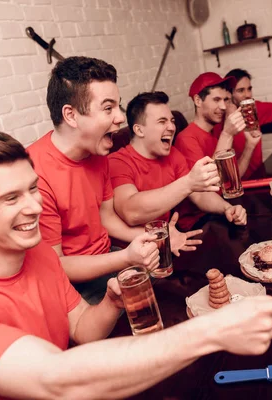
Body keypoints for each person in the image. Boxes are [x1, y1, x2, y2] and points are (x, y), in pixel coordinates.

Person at [0, 129, 272, 400]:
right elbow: (57, 380)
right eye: (11, 198)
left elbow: (81, 332)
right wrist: (214, 330)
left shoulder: (34, 254)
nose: (35, 207)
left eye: (33, 189)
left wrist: (110, 301)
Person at [27, 57, 200, 303]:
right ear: (71, 115)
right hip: (75, 284)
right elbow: (57, 267)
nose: (120, 118)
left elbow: (105, 217)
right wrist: (126, 258)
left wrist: (153, 239)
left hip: (110, 257)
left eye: (118, 107)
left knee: (185, 281)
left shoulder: (97, 150)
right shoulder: (34, 174)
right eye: (108, 108)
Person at [108, 91, 247, 230]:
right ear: (139, 130)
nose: (172, 127)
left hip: (168, 238)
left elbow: (198, 196)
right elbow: (132, 213)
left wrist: (227, 208)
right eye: (162, 121)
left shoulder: (173, 154)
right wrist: (188, 183)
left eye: (172, 121)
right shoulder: (117, 162)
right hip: (131, 247)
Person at [174, 72, 251, 229]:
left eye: (225, 100)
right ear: (197, 100)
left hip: (218, 210)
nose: (223, 107)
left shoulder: (214, 137)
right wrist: (227, 134)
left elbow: (232, 178)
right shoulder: (186, 138)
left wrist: (250, 144)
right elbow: (205, 185)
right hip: (197, 222)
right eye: (216, 100)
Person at [216, 68, 272, 179]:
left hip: (258, 175)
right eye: (241, 90)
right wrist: (229, 108)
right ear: (229, 93)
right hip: (236, 180)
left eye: (249, 89)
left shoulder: (253, 108)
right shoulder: (220, 118)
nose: (247, 94)